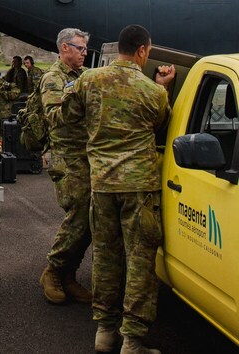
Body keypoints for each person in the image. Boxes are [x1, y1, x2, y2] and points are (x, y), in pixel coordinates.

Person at [62, 25, 175, 354]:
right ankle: (133, 340)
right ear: (142, 51)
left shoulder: (89, 80)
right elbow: (161, 124)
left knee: (106, 258)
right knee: (139, 262)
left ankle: (105, 331)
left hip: (102, 185)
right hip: (139, 188)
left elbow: (68, 115)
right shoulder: (152, 92)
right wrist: (162, 87)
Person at [37, 28, 93, 306]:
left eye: (85, 49)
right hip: (68, 159)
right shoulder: (53, 79)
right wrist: (77, 98)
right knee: (80, 214)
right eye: (80, 48)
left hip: (88, 156)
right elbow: (54, 117)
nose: (84, 53)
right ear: (64, 48)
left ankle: (69, 274)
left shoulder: (83, 77)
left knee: (92, 219)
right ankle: (53, 271)